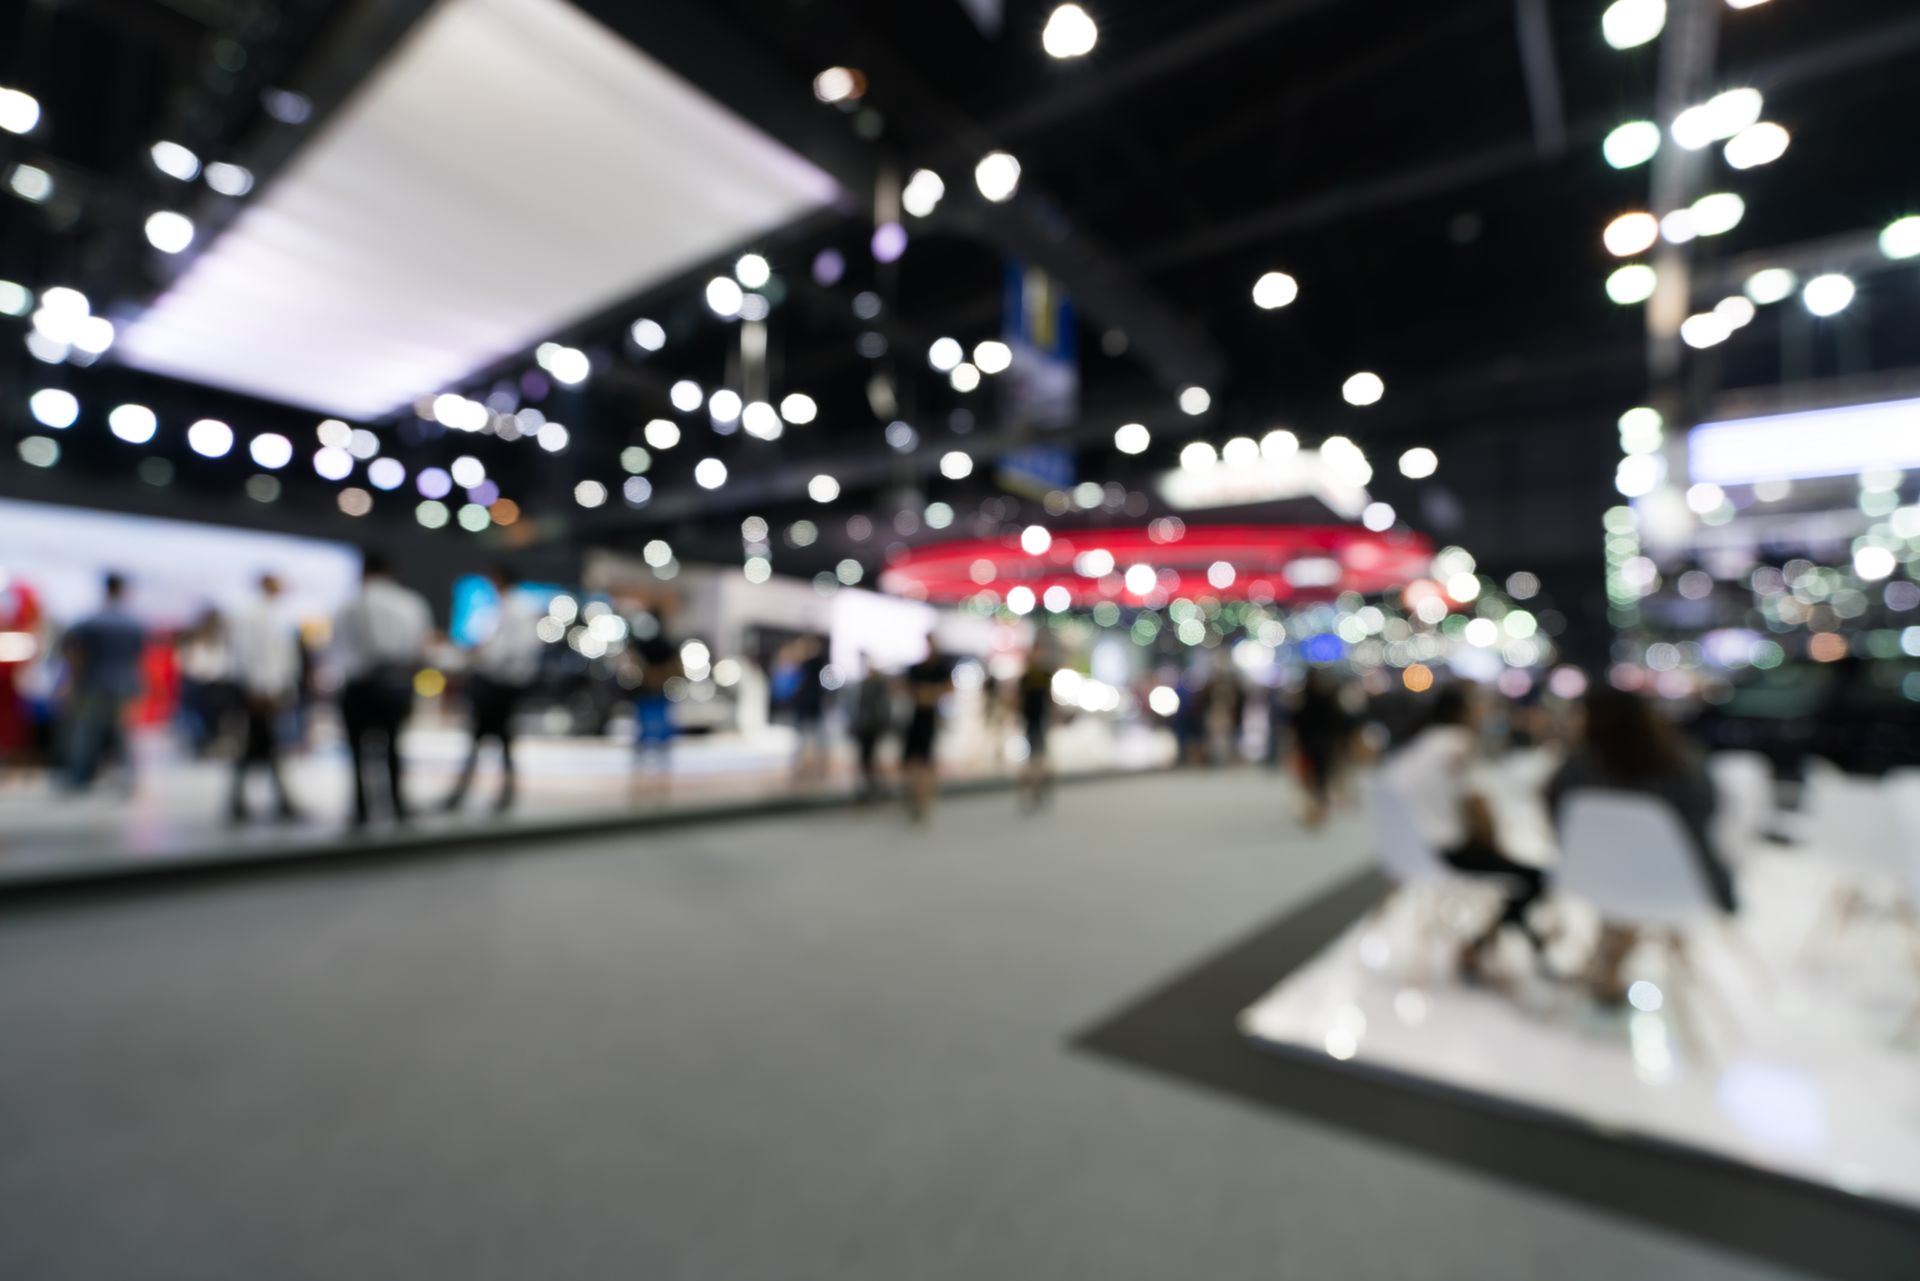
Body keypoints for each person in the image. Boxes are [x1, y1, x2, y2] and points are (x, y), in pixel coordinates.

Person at [1547, 686, 1736, 1003]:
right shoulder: (1682, 764)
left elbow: (1558, 821)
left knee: (1619, 886)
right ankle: (1614, 959)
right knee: (1638, 879)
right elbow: (1706, 820)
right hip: (1675, 884)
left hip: (1596, 878)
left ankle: (1609, 958)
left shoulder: (1577, 768)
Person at [1379, 684, 1547, 981]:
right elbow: (1476, 806)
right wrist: (1496, 846)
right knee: (1534, 877)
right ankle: (1480, 946)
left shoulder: (1418, 745)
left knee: (1519, 874)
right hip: (1448, 852)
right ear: (1463, 711)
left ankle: (1521, 940)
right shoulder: (1458, 744)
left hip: (1412, 849)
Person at [332, 551, 432, 826]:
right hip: (396, 684)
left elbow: (336, 649)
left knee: (356, 751)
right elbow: (420, 648)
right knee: (393, 746)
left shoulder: (348, 604)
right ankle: (397, 804)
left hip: (358, 686)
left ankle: (362, 808)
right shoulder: (411, 603)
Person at [443, 565, 542, 813]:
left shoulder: (513, 608)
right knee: (497, 740)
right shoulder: (516, 606)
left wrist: (482, 657)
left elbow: (512, 650)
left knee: (484, 738)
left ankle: (466, 793)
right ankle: (493, 794)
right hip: (503, 684)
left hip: (499, 684)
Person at [58, 572, 146, 793]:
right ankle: (128, 778)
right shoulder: (133, 623)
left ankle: (80, 778)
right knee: (121, 733)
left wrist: (71, 683)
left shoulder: (91, 621)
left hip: (95, 682)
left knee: (88, 731)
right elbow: (138, 656)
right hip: (125, 684)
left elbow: (75, 654)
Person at [227, 573, 304, 822]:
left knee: (260, 746)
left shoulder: (276, 615)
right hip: (259, 692)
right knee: (262, 745)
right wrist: (257, 689)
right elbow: (246, 653)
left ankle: (240, 801)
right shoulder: (250, 615)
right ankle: (280, 801)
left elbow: (282, 657)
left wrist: (283, 688)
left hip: (272, 691)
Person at [1291, 670, 1352, 826]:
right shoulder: (1325, 699)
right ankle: (1319, 806)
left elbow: (1296, 722)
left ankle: (1316, 808)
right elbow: (1336, 721)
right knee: (1320, 776)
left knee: (1313, 777)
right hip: (1321, 744)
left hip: (1312, 743)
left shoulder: (1304, 699)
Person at [900, 640, 952, 823]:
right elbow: (906, 689)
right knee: (912, 762)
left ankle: (924, 800)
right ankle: (915, 797)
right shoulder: (916, 669)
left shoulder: (939, 669)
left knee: (926, 763)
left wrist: (930, 694)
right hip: (915, 720)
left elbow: (947, 689)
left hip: (929, 721)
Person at [1017, 640, 1058, 811]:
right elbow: (1019, 700)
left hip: (1041, 719)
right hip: (1030, 720)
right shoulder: (1026, 677)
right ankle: (1036, 787)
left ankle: (1038, 786)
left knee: (1039, 756)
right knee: (1035, 756)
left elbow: (1050, 699)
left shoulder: (1043, 675)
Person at [849, 653, 893, 803]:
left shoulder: (878, 683)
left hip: (873, 726)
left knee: (870, 758)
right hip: (863, 726)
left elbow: (884, 706)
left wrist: (884, 724)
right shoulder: (863, 683)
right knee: (866, 758)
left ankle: (877, 787)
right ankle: (873, 787)